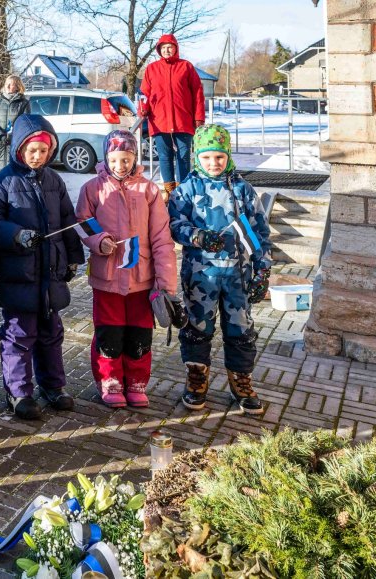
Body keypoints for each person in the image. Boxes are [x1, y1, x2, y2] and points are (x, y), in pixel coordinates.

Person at [0, 114, 85, 420]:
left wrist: (73, 258)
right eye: (32, 151)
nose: (37, 157)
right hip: (19, 274)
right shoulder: (3, 182)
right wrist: (17, 235)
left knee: (52, 332)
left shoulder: (54, 180)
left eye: (43, 151)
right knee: (19, 335)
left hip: (50, 274)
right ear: (19, 150)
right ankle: (18, 391)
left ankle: (53, 386)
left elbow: (67, 220)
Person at [168, 124, 271, 416]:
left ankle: (241, 381)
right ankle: (196, 378)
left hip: (238, 275)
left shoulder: (242, 189)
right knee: (197, 328)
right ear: (197, 158)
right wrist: (197, 236)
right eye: (207, 158)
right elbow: (174, 223)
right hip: (201, 274)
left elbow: (260, 232)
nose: (214, 164)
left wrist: (262, 270)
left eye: (219, 158)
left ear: (228, 157)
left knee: (240, 328)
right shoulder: (186, 189)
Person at [75, 130, 176, 408]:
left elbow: (161, 237)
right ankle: (110, 381)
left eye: (127, 158)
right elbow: (83, 221)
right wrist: (98, 241)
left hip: (142, 279)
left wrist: (165, 280)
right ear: (106, 157)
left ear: (135, 158)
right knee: (109, 332)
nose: (121, 165)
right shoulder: (92, 188)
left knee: (140, 334)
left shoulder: (149, 190)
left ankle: (136, 382)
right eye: (115, 159)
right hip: (107, 278)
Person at [139, 34, 206, 202]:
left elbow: (198, 93)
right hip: (159, 120)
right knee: (164, 156)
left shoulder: (186, 67)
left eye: (170, 47)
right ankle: (169, 190)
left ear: (176, 48)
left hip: (183, 119)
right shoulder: (152, 69)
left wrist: (199, 117)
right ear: (159, 50)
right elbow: (145, 94)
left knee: (183, 156)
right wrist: (143, 109)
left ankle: (184, 189)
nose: (167, 50)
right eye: (163, 48)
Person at [0, 74, 31, 177]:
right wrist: (0, 135)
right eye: (7, 84)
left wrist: (14, 137)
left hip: (14, 146)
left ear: (18, 86)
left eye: (12, 84)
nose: (8, 87)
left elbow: (26, 125)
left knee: (13, 179)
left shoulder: (23, 103)